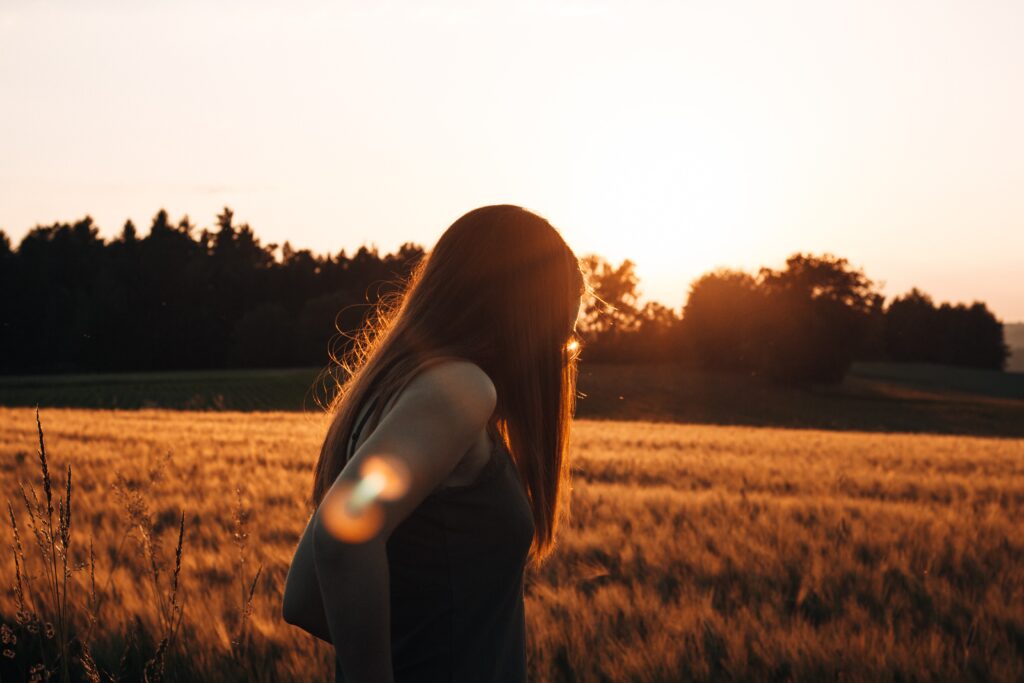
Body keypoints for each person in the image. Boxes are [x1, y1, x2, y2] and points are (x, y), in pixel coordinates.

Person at [282, 204, 587, 682]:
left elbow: (303, 597)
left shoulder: (395, 393)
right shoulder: (462, 392)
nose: (559, 360)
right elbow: (343, 535)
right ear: (526, 319)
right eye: (561, 338)